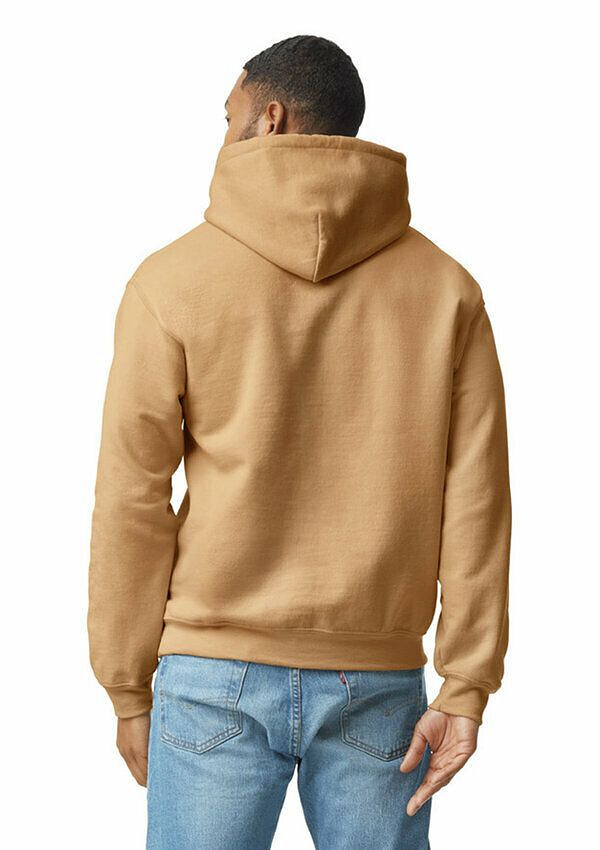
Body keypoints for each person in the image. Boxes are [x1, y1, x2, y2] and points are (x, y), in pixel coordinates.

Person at [87, 34, 511, 850]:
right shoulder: (446, 291)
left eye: (229, 116)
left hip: (210, 676)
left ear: (270, 118)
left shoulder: (170, 281)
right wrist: (465, 683)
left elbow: (132, 500)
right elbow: (477, 498)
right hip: (377, 678)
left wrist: (126, 683)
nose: (223, 135)